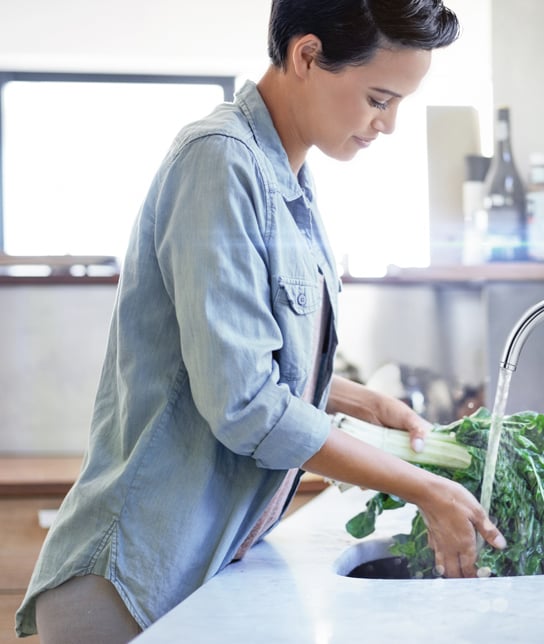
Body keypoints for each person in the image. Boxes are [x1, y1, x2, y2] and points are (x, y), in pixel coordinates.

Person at [15, 1, 506, 641]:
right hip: (130, 584)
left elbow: (239, 355)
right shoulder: (218, 160)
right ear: (306, 56)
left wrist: (359, 401)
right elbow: (244, 403)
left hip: (197, 565)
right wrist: (423, 488)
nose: (387, 125)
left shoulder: (289, 177)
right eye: (379, 98)